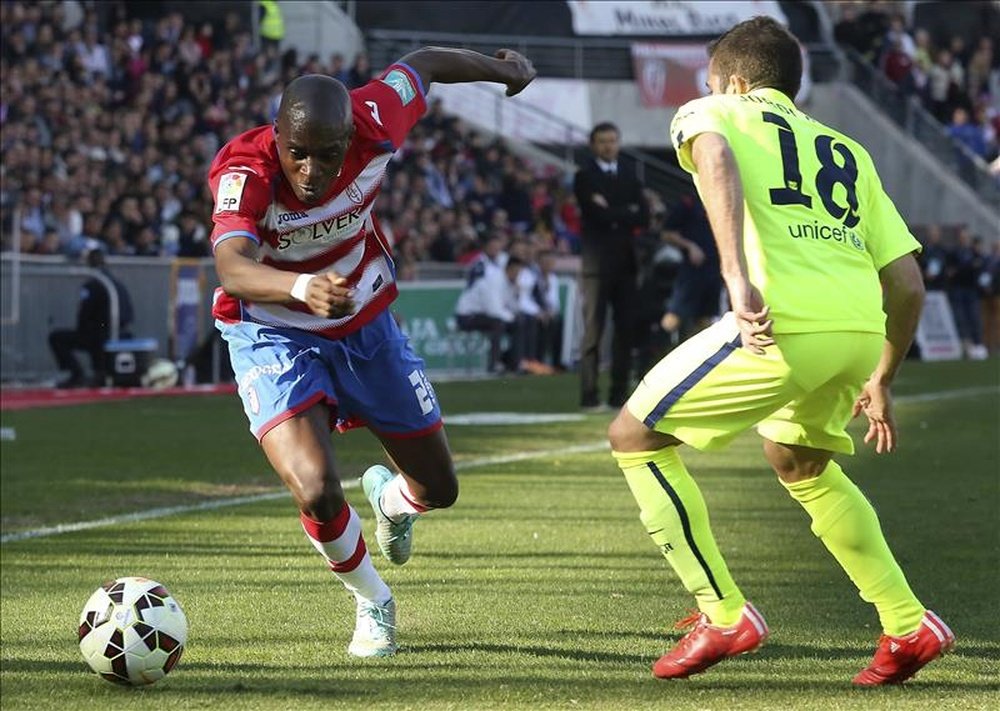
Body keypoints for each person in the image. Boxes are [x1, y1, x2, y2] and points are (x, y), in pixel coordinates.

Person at [606, 16, 953, 684]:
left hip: (780, 322)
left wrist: (735, 277)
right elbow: (908, 280)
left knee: (634, 435)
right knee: (801, 462)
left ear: (734, 81)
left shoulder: (716, 110)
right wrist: (883, 374)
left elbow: (712, 158)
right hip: (855, 331)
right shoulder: (848, 150)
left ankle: (723, 612)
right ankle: (907, 624)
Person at [207, 47, 535, 658]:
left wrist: (503, 70)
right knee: (315, 487)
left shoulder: (377, 115)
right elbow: (231, 267)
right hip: (273, 331)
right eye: (296, 151)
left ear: (351, 135)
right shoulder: (245, 170)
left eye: (327, 155)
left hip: (365, 323)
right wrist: (302, 288)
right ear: (275, 135)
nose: (310, 169)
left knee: (440, 488)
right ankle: (373, 599)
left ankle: (391, 503)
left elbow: (427, 62)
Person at [574, 122, 649, 411]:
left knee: (625, 331)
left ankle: (619, 395)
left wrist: (614, 211)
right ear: (593, 145)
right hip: (597, 265)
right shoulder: (584, 177)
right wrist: (624, 212)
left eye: (612, 140)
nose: (608, 146)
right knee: (593, 331)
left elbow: (642, 216)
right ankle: (589, 396)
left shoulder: (630, 175)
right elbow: (597, 214)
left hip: (626, 264)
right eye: (603, 141)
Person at [48, 247, 134, 388]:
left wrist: (88, 328)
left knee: (57, 338)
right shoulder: (116, 283)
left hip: (101, 334)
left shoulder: (94, 284)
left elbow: (85, 314)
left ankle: (76, 374)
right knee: (93, 334)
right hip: (120, 331)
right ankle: (99, 373)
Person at [658, 193, 722, 342]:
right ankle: (657, 348)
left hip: (715, 267)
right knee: (675, 315)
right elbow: (667, 233)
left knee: (707, 319)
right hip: (692, 270)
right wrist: (690, 246)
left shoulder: (721, 199)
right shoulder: (689, 202)